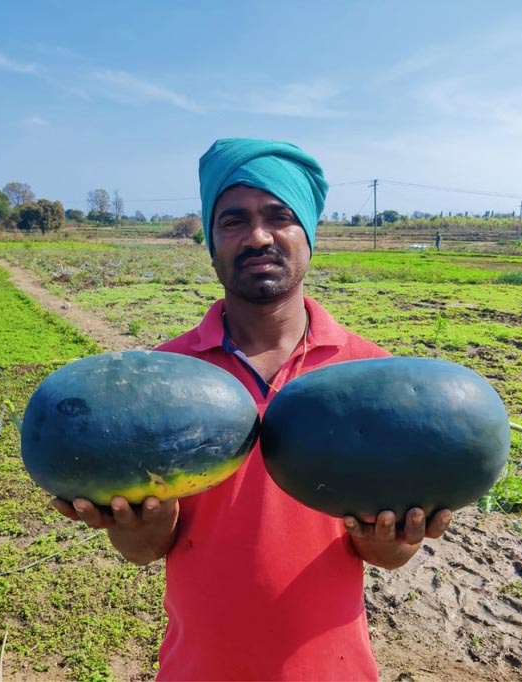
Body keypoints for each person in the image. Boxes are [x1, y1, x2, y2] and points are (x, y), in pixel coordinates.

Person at [53, 138, 453, 680]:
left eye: (279, 217)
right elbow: (145, 551)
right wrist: (137, 524)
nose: (258, 236)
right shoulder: (159, 378)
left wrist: (389, 539)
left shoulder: (374, 378)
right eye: (233, 220)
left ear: (308, 233)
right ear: (211, 241)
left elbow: (386, 557)